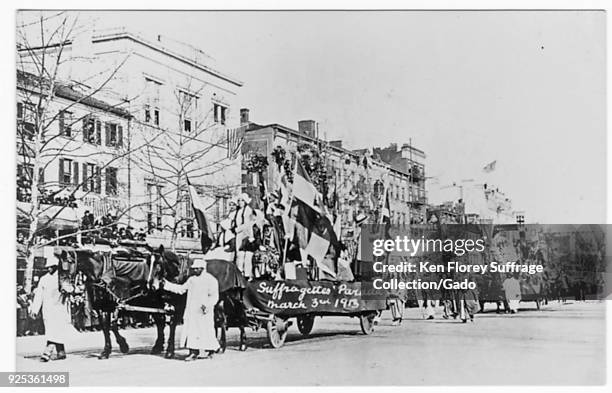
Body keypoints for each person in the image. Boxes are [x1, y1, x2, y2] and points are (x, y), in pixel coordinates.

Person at [162, 259, 220, 361]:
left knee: (206, 330)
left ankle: (211, 349)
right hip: (192, 311)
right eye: (194, 269)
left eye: (197, 269)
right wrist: (166, 284)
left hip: (203, 311)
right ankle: (193, 352)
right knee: (192, 331)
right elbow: (181, 289)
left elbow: (214, 296)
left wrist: (207, 305)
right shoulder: (192, 280)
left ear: (202, 269)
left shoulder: (211, 280)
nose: (195, 270)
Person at [29, 255, 76, 361]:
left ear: (56, 266)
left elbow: (70, 289)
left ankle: (48, 351)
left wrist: (69, 288)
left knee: (55, 330)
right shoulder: (44, 279)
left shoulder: (63, 278)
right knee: (52, 330)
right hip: (47, 309)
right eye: (48, 267)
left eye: (51, 267)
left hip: (60, 308)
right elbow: (39, 295)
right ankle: (61, 351)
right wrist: (35, 309)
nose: (49, 269)